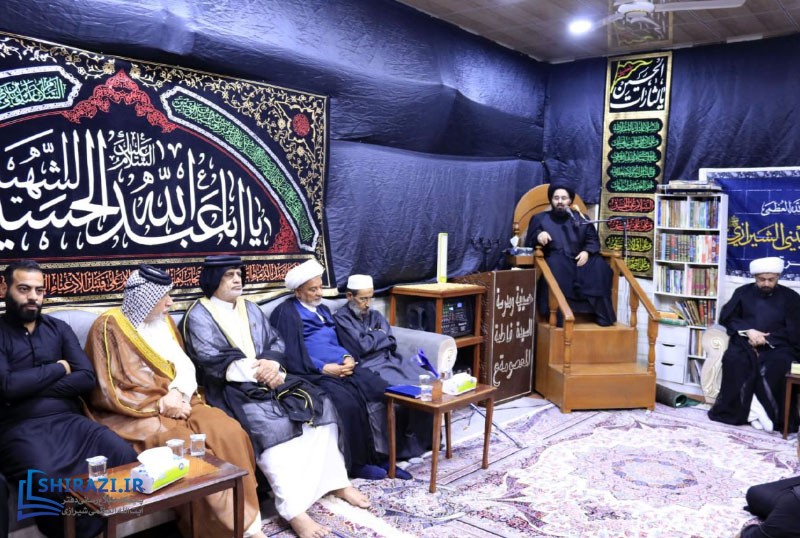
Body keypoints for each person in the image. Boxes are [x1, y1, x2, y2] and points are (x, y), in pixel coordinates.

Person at [181, 255, 371, 538]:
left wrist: (272, 365)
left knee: (320, 405)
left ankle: (336, 482)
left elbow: (275, 341)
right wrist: (261, 372)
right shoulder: (198, 315)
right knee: (274, 426)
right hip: (231, 388)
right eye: (229, 275)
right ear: (213, 280)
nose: (237, 280)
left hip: (273, 378)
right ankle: (294, 511)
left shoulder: (249, 307)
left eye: (239, 274)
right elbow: (211, 359)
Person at [84, 264, 266, 538]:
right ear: (143, 299)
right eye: (163, 296)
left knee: (229, 431)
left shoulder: (164, 321)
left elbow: (184, 365)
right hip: (136, 414)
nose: (170, 302)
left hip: (182, 399)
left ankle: (248, 523)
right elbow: (108, 388)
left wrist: (178, 393)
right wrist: (160, 403)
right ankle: (222, 532)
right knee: (188, 448)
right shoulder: (108, 326)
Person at [0, 260, 138, 538]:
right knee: (47, 481)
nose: (33, 297)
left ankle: (100, 527)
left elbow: (86, 377)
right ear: (5, 288)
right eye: (24, 289)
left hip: (70, 422)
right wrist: (59, 368)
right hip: (20, 428)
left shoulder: (59, 328)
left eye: (39, 290)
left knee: (124, 456)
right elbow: (7, 387)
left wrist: (28, 386)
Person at [269, 259, 412, 480]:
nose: (319, 293)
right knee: (347, 403)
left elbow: (339, 340)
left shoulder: (324, 310)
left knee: (383, 390)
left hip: (343, 367)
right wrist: (324, 368)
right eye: (312, 289)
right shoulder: (286, 313)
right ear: (298, 292)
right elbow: (290, 352)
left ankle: (384, 455)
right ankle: (357, 464)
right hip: (313, 372)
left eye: (320, 287)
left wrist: (347, 357)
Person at [334, 273, 433, 458]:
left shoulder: (375, 315)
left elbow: (391, 341)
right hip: (369, 366)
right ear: (349, 296)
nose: (368, 304)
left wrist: (372, 338)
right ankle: (405, 449)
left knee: (425, 382)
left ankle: (426, 440)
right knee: (402, 391)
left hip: (390, 358)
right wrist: (379, 335)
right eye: (363, 299)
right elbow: (360, 347)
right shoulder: (341, 319)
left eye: (370, 298)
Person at [708, 257, 800, 433]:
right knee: (735, 361)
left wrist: (767, 339)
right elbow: (728, 317)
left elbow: (795, 328)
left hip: (778, 345)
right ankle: (752, 415)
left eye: (771, 279)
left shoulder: (791, 297)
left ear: (778, 277)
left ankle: (765, 415)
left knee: (777, 366)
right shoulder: (742, 293)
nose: (766, 283)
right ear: (755, 277)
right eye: (761, 279)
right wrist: (748, 331)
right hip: (744, 342)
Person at [525, 183, 616, 326]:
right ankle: (561, 316)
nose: (560, 201)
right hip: (556, 258)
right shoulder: (540, 218)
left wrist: (587, 252)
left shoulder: (581, 218)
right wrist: (539, 235)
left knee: (599, 266)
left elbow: (592, 240)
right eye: (556, 198)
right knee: (556, 266)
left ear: (570, 201)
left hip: (580, 259)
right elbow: (529, 241)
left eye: (564, 198)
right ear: (551, 200)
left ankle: (601, 315)